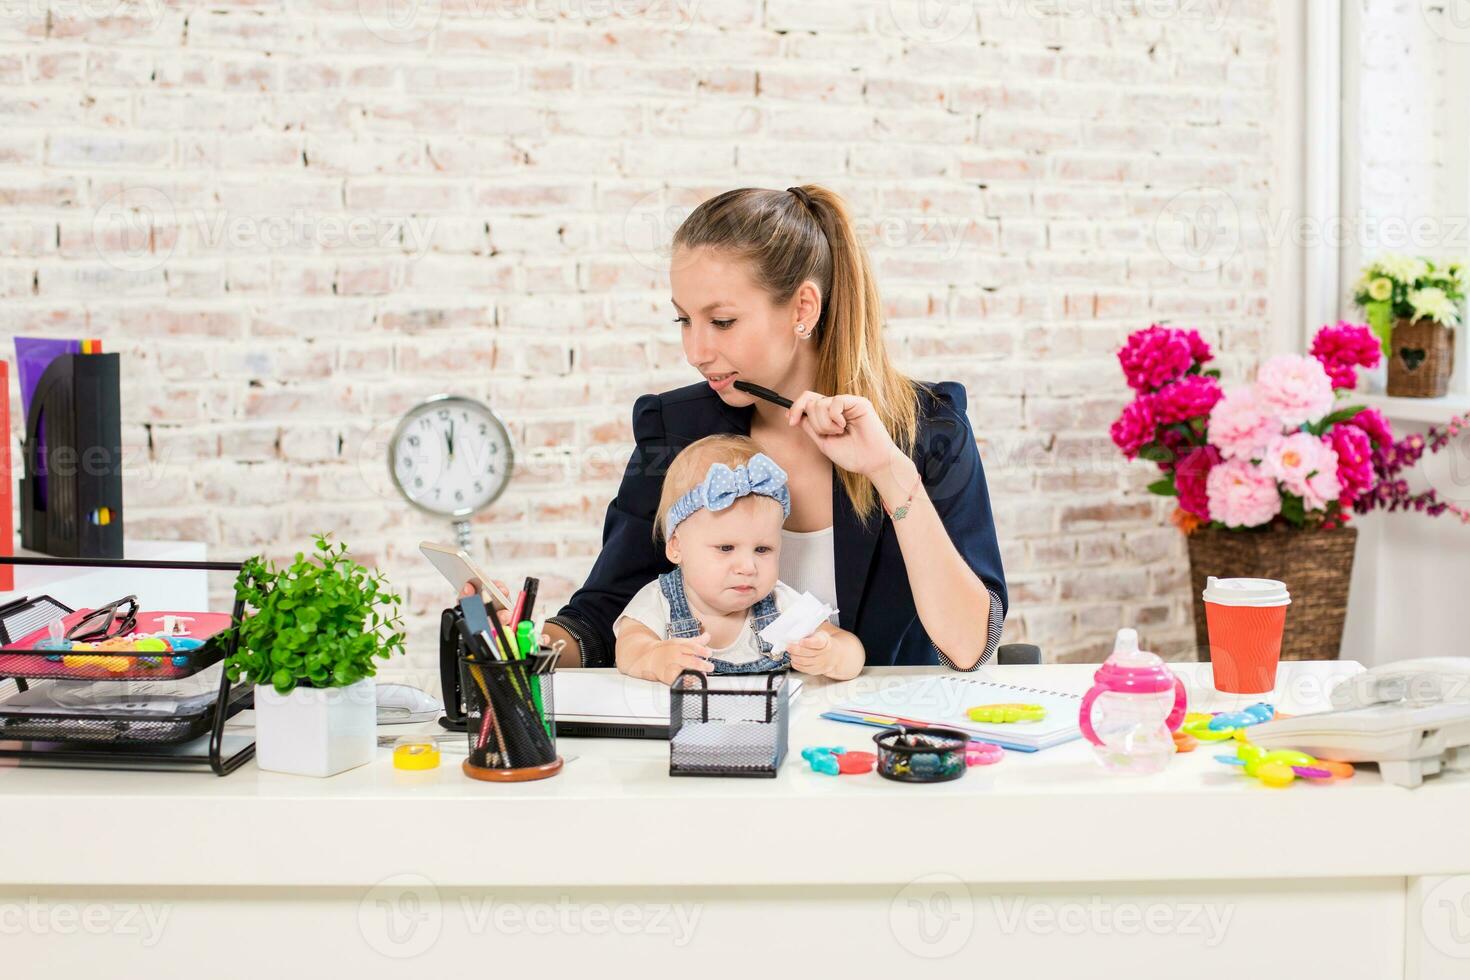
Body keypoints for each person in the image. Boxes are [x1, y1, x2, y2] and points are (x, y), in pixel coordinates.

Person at [538, 184, 1006, 670]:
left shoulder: (930, 429)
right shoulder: (675, 428)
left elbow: (970, 647)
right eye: (683, 320)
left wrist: (888, 470)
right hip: (725, 734)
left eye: (721, 322)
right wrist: (529, 650)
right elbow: (602, 613)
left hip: (879, 736)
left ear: (803, 308)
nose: (696, 351)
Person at [613, 435, 864, 684]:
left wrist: (831, 655)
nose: (747, 567)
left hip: (767, 719)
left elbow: (850, 646)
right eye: (725, 547)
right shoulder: (660, 600)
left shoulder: (780, 605)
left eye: (762, 549)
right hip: (685, 718)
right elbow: (629, 650)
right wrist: (655, 659)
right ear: (677, 546)